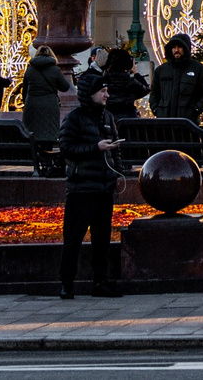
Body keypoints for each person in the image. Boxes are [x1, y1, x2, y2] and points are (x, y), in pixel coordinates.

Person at [57, 68, 123, 299]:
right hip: (81, 188)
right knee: (73, 238)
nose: (106, 95)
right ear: (90, 93)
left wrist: (117, 172)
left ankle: (100, 282)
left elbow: (116, 148)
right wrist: (95, 148)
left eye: (107, 91)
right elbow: (66, 148)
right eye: (102, 91)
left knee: (102, 238)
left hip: (103, 188)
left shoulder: (107, 117)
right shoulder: (74, 118)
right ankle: (67, 284)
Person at [21, 42, 71, 174]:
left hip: (32, 104)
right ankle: (48, 164)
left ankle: (36, 165)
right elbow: (65, 87)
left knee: (34, 135)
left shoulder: (30, 69)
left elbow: (24, 90)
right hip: (49, 104)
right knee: (48, 134)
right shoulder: (55, 69)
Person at [149, 34, 203, 123]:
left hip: (187, 123)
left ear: (186, 48)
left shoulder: (199, 69)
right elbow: (154, 92)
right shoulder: (161, 70)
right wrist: (156, 110)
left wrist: (195, 110)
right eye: (174, 47)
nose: (176, 50)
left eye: (179, 47)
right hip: (164, 122)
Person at [101, 46, 149, 119]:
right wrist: (136, 73)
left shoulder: (103, 80)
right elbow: (146, 89)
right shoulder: (130, 82)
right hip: (128, 120)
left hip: (107, 118)